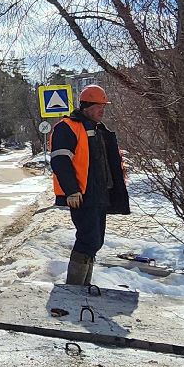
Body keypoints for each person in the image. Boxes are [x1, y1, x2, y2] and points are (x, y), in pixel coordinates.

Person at [49, 83, 129, 286]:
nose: (102, 110)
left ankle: (82, 287)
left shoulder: (98, 130)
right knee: (88, 240)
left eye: (104, 106)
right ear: (86, 107)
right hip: (82, 195)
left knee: (96, 241)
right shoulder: (68, 127)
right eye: (98, 106)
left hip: (100, 194)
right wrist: (71, 190)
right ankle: (75, 287)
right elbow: (60, 161)